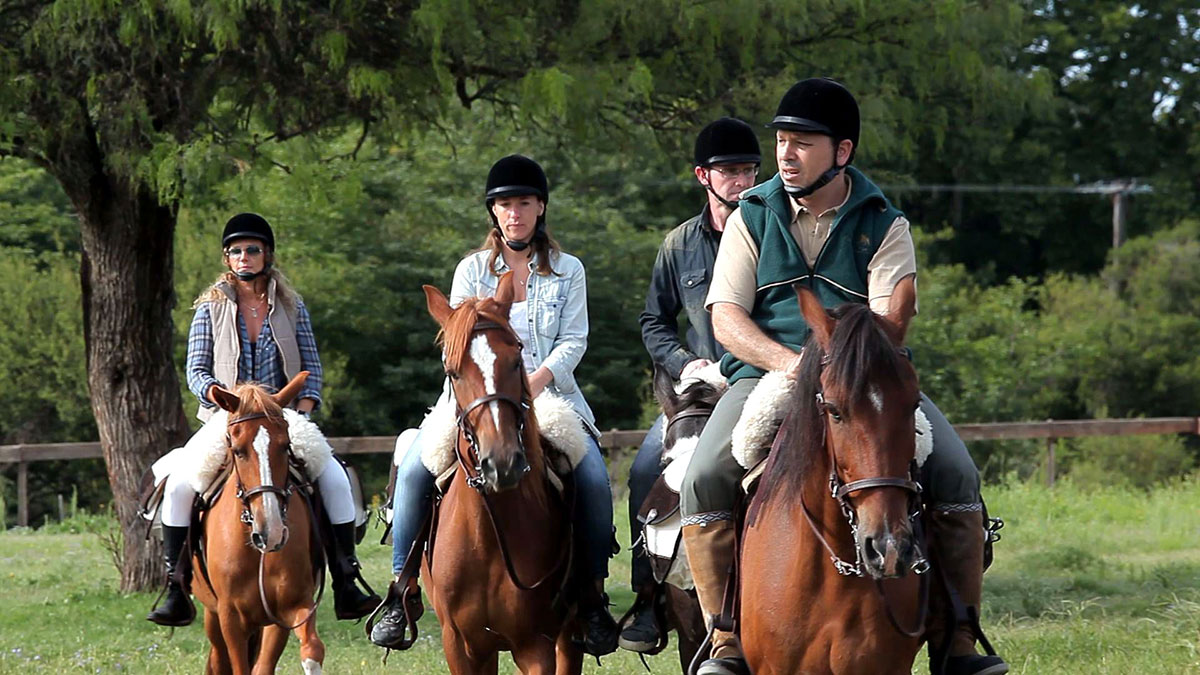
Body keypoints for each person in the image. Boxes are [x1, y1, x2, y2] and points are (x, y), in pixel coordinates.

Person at [679, 79, 1009, 675]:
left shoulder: (886, 223)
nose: (785, 154)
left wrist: (843, 367)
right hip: (768, 374)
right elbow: (725, 318)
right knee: (702, 479)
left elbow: (889, 321)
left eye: (802, 143)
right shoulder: (750, 215)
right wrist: (794, 367)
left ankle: (958, 639)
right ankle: (725, 639)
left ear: (843, 151)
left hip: (864, 379)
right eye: (781, 141)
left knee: (957, 474)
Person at [369, 155, 620, 656]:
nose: (514, 213)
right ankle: (401, 590)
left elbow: (574, 340)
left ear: (540, 207)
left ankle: (591, 597)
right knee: (418, 467)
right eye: (505, 204)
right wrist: (490, 386)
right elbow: (457, 341)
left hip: (548, 396)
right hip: (474, 397)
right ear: (494, 212)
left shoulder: (569, 270)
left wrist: (531, 380)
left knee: (592, 479)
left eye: (523, 203)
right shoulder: (471, 271)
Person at [146, 213, 380, 626]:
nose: (244, 257)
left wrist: (303, 407)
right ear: (227, 258)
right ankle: (175, 584)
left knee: (335, 479)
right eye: (235, 251)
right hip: (228, 417)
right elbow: (196, 371)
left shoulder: (291, 306)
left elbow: (312, 366)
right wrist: (220, 398)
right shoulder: (209, 309)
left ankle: (347, 576)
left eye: (252, 249)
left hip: (281, 417)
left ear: (266, 255)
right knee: (180, 484)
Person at [620, 118, 760, 652]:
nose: (741, 181)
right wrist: (684, 364)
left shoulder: (773, 232)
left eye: (748, 169)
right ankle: (648, 602)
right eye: (728, 171)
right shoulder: (679, 244)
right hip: (697, 393)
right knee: (641, 474)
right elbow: (654, 320)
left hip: (764, 379)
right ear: (704, 176)